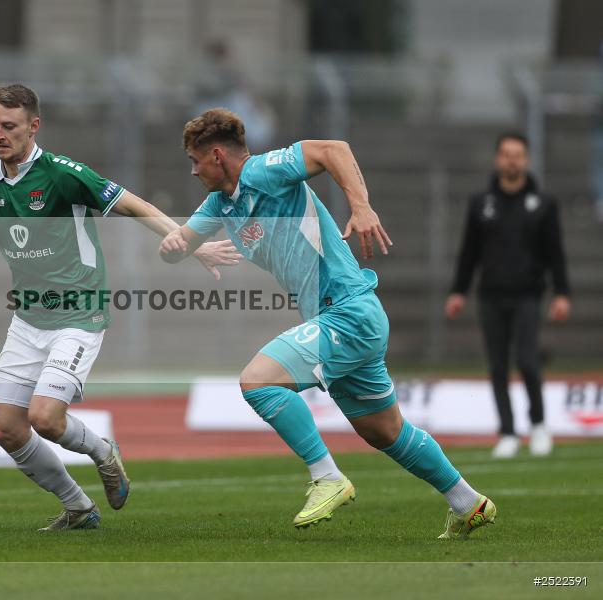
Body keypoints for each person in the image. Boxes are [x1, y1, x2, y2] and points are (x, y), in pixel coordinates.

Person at [159, 109, 496, 539]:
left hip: (348, 313)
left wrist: (361, 205)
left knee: (258, 382)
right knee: (384, 431)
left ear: (218, 156)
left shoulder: (264, 170)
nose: (192, 171)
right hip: (342, 319)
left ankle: (328, 477)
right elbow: (180, 246)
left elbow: (334, 150)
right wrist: (175, 244)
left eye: (195, 160)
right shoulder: (218, 204)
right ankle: (469, 503)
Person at [0, 84, 236, 531]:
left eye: (9, 126)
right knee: (8, 431)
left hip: (79, 312)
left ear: (34, 127)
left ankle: (103, 452)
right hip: (28, 317)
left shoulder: (62, 174)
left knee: (46, 419)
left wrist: (191, 243)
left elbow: (134, 205)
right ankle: (78, 508)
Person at [446, 132, 570, 459]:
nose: (512, 160)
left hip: (529, 295)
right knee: (498, 366)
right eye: (506, 154)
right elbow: (468, 252)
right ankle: (508, 431)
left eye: (518, 154)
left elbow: (555, 253)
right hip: (490, 296)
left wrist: (561, 293)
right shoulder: (481, 203)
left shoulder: (543, 204)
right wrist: (458, 291)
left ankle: (540, 425)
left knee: (528, 361)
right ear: (497, 159)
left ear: (526, 160)